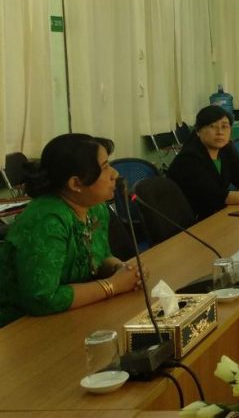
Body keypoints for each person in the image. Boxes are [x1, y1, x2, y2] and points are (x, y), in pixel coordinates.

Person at [0, 134, 144, 328]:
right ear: (76, 183)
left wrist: (123, 270)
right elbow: (42, 298)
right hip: (21, 327)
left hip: (74, 315)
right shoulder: (47, 221)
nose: (115, 174)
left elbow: (99, 257)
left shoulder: (95, 208)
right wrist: (114, 285)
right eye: (104, 168)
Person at [168, 105, 239, 221]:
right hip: (191, 222)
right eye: (212, 126)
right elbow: (218, 197)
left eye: (224, 126)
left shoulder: (225, 150)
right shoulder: (188, 159)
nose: (220, 132)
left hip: (215, 214)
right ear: (198, 131)